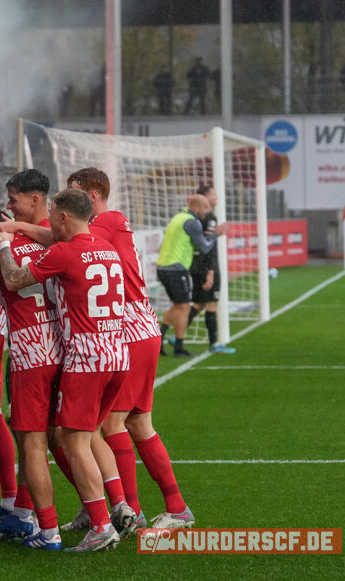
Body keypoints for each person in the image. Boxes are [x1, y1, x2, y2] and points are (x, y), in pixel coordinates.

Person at [0, 188, 129, 552]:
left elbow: (14, 280)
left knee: (70, 441)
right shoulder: (106, 246)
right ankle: (117, 507)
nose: (49, 221)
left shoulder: (65, 252)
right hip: (118, 353)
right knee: (88, 435)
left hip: (84, 357)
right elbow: (49, 236)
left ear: (64, 217)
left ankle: (99, 524)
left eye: (53, 214)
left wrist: (5, 244)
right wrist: (20, 225)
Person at [65, 168, 195, 532]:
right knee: (137, 422)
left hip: (131, 328)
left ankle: (131, 510)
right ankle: (175, 506)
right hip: (139, 327)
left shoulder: (105, 221)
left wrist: (17, 229)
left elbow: (60, 239)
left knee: (111, 423)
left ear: (92, 194)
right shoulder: (111, 222)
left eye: (74, 194)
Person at [0, 170, 62, 549]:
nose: (8, 206)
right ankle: (111, 510)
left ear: (34, 200)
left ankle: (40, 524)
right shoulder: (62, 236)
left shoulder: (9, 246)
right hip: (67, 349)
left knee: (33, 440)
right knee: (63, 438)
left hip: (31, 351)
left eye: (13, 199)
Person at [156, 194, 227, 357]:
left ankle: (159, 339)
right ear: (196, 207)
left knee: (178, 305)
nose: (207, 211)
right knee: (184, 307)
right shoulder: (192, 222)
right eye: (206, 207)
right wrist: (216, 234)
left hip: (163, 266)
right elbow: (204, 247)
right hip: (175, 268)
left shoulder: (178, 217)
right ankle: (179, 348)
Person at [187, 184, 235, 355]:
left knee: (199, 303)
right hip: (207, 265)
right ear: (205, 197)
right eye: (213, 194)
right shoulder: (210, 217)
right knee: (212, 304)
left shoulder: (192, 218)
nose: (216, 197)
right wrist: (211, 271)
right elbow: (206, 246)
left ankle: (176, 333)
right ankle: (214, 343)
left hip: (194, 263)